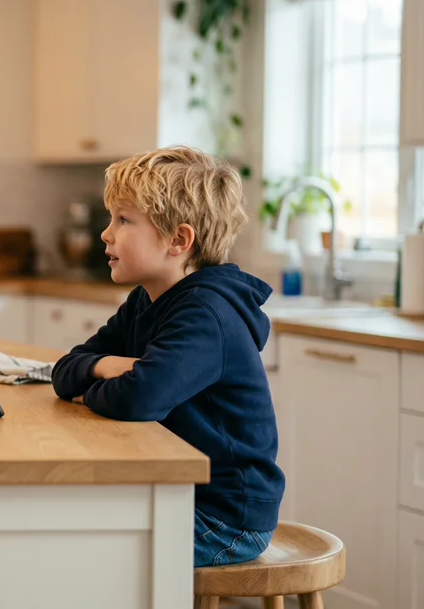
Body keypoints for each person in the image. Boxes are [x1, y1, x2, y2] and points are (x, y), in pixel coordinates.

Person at [51, 146, 284, 568]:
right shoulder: (146, 299)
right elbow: (65, 370)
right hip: (179, 494)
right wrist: (105, 367)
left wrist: (96, 390)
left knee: (76, 550)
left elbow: (139, 399)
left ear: (178, 240)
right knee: (60, 523)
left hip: (224, 517)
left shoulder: (206, 313)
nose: (106, 234)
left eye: (123, 220)